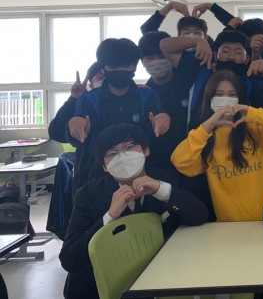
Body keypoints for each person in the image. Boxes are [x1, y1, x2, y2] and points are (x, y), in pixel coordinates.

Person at [170, 70, 263, 298]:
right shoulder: (205, 139)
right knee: (245, 292)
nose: (226, 99)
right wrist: (207, 126)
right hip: (234, 234)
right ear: (209, 99)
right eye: (219, 94)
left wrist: (253, 113)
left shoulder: (260, 127)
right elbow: (181, 162)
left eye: (232, 94)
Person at [59, 123, 209, 299]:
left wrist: (161, 190)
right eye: (112, 153)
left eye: (129, 148)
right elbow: (69, 259)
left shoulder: (165, 179)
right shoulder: (88, 195)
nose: (122, 157)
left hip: (159, 279)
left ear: (145, 151)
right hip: (101, 287)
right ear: (105, 166)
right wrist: (109, 217)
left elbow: (199, 216)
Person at [67, 38, 170, 190]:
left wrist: (162, 123)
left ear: (135, 66)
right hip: (101, 174)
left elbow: (156, 131)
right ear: (103, 68)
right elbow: (81, 139)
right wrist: (76, 130)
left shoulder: (147, 95)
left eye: (126, 65)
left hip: (145, 171)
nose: (120, 70)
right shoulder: (89, 99)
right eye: (113, 66)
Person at [138, 31, 201, 171]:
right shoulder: (143, 93)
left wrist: (199, 41)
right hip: (157, 163)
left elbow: (168, 45)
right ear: (142, 62)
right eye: (150, 58)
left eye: (161, 56)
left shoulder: (189, 78)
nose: (156, 62)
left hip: (191, 158)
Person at [48, 62, 102, 143]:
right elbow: (55, 133)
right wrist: (74, 99)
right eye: (101, 77)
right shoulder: (85, 105)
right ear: (91, 85)